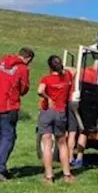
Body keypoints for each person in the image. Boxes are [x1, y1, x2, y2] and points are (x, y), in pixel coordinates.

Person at [0, 47, 34, 181]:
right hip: (7, 105)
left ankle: (0, 167)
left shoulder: (3, 61)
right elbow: (23, 89)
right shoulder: (23, 69)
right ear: (28, 59)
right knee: (9, 137)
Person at [36, 55, 76, 184]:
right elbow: (74, 70)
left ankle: (49, 177)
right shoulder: (67, 77)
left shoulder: (46, 79)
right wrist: (63, 69)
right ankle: (67, 174)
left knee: (47, 144)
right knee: (62, 143)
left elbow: (40, 90)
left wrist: (47, 97)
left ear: (49, 66)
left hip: (47, 112)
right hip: (60, 112)